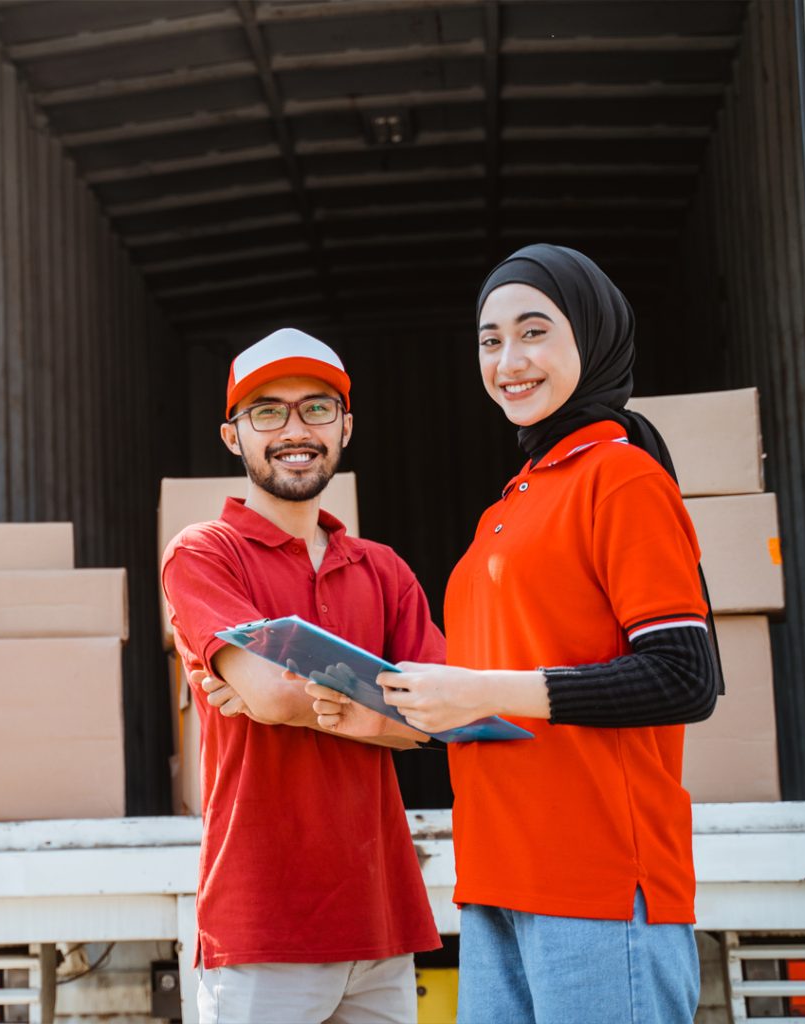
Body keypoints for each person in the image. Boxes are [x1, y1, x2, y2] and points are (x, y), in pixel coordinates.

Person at [309, 245, 720, 1024]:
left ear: (591, 340)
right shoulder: (509, 507)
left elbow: (685, 677)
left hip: (597, 884)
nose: (509, 360)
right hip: (498, 880)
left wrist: (474, 689)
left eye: (534, 332)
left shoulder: (623, 478)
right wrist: (402, 718)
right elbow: (511, 712)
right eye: (490, 340)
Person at [161, 327, 442, 1024]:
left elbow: (438, 713)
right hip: (262, 927)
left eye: (316, 408)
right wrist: (382, 707)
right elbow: (267, 691)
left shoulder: (385, 570)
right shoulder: (203, 554)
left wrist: (303, 697)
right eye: (267, 411)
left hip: (382, 921)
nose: (294, 430)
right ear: (234, 436)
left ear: (345, 427)